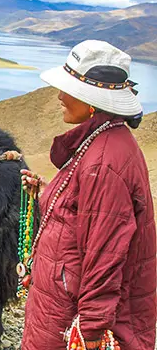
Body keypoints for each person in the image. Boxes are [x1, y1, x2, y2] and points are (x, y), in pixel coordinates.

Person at [20, 40, 156, 349]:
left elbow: (106, 252)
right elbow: (88, 212)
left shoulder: (104, 161)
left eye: (69, 90)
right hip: (62, 305)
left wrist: (92, 331)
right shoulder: (101, 143)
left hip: (69, 315)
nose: (59, 96)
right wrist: (45, 190)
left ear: (91, 100)